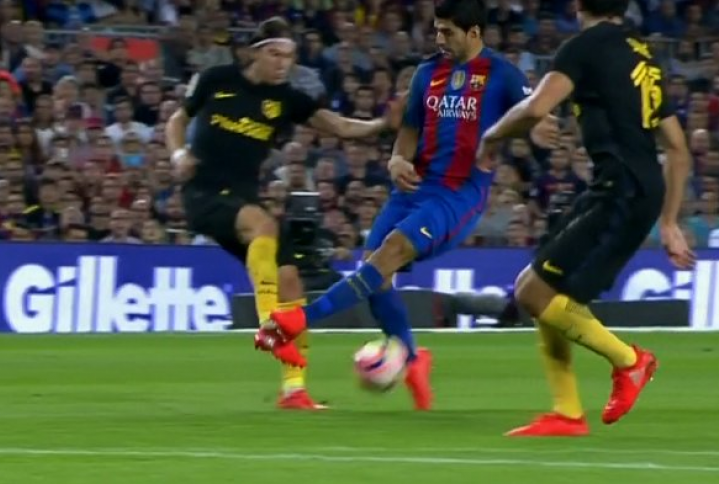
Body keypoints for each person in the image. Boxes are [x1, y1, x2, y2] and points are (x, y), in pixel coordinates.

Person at [253, 0, 558, 411]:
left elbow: (534, 111)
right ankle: (413, 360)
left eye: (446, 31)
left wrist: (539, 129)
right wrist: (398, 157)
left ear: (474, 33)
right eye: (436, 30)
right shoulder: (427, 72)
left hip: (458, 194)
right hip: (411, 189)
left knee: (390, 252)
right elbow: (411, 129)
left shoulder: (502, 74)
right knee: (375, 273)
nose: (438, 38)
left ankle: (296, 321)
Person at [475, 0, 695, 437]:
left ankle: (630, 361)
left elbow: (537, 107)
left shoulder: (583, 47)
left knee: (533, 294)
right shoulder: (642, 55)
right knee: (540, 289)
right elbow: (677, 147)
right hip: (630, 188)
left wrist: (493, 134)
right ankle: (567, 413)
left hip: (621, 191)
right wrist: (668, 221)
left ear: (578, 5)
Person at [165, 17, 404, 410]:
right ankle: (268, 329)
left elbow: (338, 126)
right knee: (264, 224)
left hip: (242, 197)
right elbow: (178, 120)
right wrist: (178, 154)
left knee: (291, 280)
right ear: (255, 52)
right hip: (203, 193)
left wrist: (381, 125)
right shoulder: (216, 78)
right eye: (275, 54)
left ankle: (294, 391)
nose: (282, 63)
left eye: (289, 56)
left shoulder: (286, 99)